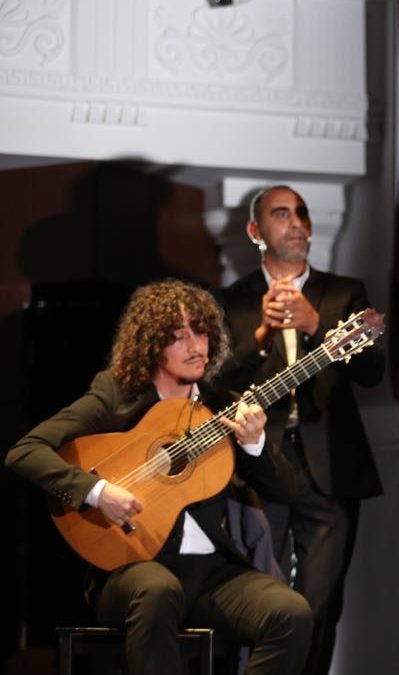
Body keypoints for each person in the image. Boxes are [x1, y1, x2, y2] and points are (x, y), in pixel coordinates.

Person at [4, 279, 313, 675]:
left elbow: (288, 490)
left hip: (213, 574)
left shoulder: (224, 408)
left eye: (200, 332)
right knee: (157, 589)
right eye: (178, 336)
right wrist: (98, 492)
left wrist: (253, 445)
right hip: (132, 573)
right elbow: (25, 452)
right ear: (151, 344)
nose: (195, 346)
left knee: (291, 612)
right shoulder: (115, 396)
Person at [215, 185, 385, 675]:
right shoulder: (230, 301)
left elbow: (372, 372)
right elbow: (212, 383)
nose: (296, 222)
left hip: (328, 467)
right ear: (255, 231)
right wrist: (261, 338)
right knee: (251, 601)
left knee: (319, 603)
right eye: (281, 213)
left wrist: (316, 323)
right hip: (253, 466)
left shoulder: (344, 293)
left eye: (303, 213)